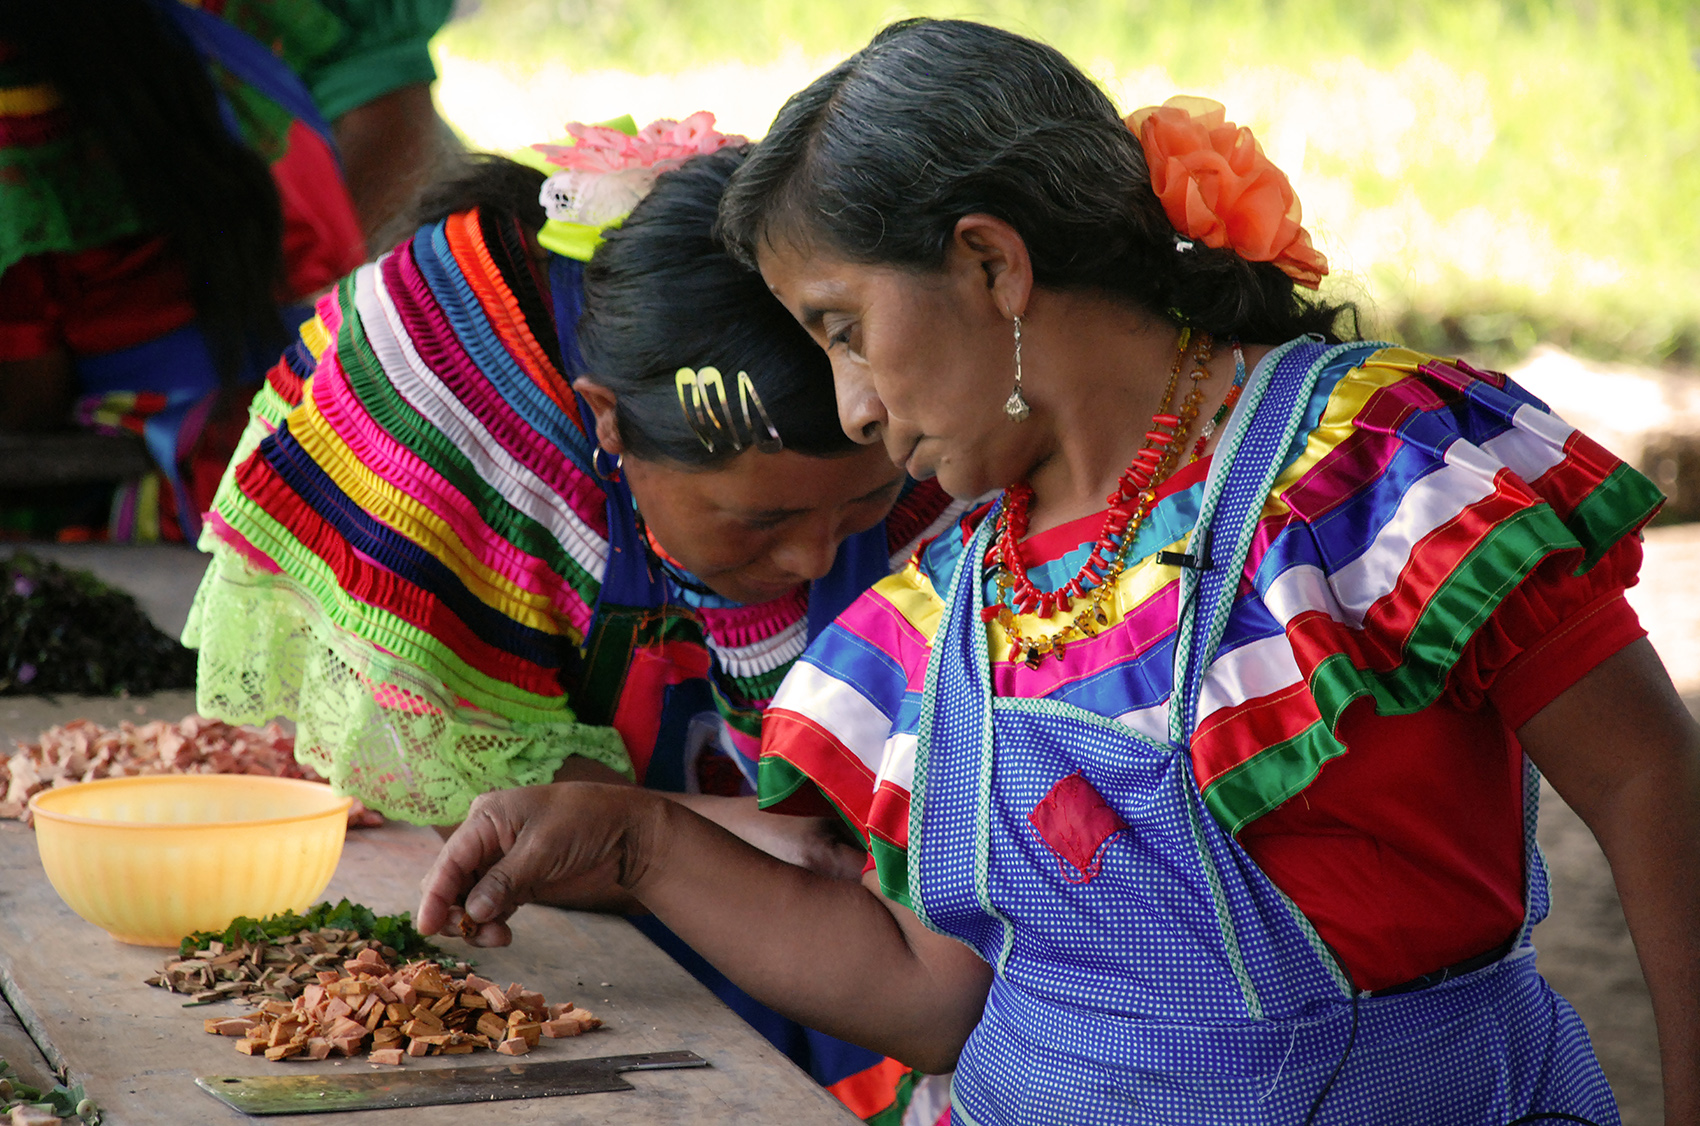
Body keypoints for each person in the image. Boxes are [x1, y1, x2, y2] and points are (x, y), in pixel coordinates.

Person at [416, 19, 1700, 1126]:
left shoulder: (1369, 475)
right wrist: (638, 845)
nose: (854, 408)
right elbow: (929, 998)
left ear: (990, 263)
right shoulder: (957, 600)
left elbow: (1648, 777)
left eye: (845, 330)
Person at [187, 118, 964, 1123]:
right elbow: (449, 769)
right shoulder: (444, 385)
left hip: (843, 952)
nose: (816, 559)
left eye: (858, 505)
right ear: (604, 421)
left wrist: (712, 846)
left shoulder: (903, 391)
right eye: (762, 518)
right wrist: (722, 837)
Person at [0, 0, 453, 541]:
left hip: (163, 495)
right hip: (326, 433)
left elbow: (28, 400)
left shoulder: (25, 139)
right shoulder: (225, 63)